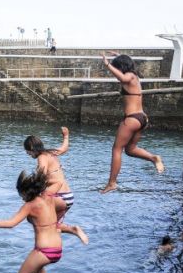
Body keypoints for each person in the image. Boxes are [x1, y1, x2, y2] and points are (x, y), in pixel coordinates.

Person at [100, 53, 164, 193]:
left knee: (117, 149)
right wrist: (120, 56)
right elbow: (128, 63)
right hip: (141, 118)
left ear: (121, 67)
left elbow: (122, 77)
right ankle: (153, 158)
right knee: (130, 149)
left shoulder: (129, 76)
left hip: (132, 119)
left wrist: (108, 65)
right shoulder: (135, 76)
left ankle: (112, 183)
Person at [23, 127, 89, 244]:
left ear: (32, 148)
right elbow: (64, 148)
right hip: (68, 197)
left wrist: (29, 185)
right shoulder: (51, 153)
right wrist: (66, 136)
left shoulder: (41, 157)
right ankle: (58, 242)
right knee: (53, 227)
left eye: (28, 151)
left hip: (59, 196)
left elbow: (41, 175)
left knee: (32, 216)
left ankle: (73, 230)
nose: (27, 154)